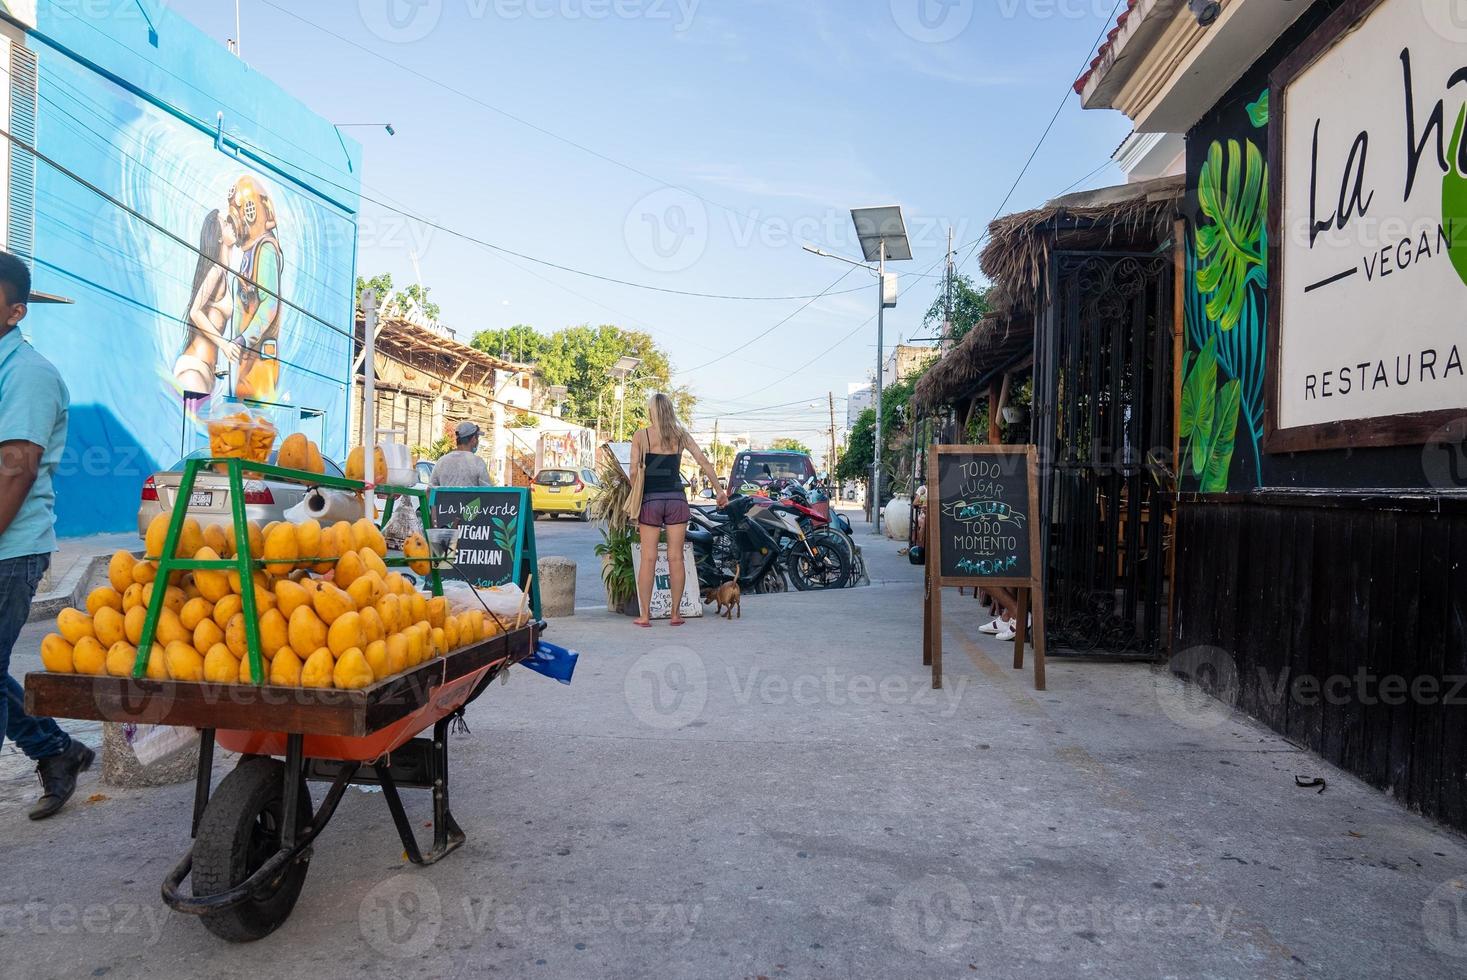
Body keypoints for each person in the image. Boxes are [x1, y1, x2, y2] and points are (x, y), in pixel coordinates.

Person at [0, 251, 93, 820]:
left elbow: (16, 467)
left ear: (14, 312)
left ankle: (55, 749)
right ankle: (58, 748)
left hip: (10, 549)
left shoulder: (29, 374)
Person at [627, 393, 726, 627]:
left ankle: (644, 616)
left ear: (652, 411)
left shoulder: (641, 436)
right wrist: (719, 490)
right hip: (676, 500)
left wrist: (637, 493)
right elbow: (703, 461)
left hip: (650, 500)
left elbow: (633, 472)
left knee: (648, 559)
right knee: (676, 558)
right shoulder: (680, 435)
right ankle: (675, 615)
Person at [173, 208, 239, 397]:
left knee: (199, 426)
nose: (231, 225)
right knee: (193, 426)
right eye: (226, 223)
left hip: (208, 372)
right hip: (194, 370)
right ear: (218, 237)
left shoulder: (225, 275)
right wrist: (224, 345)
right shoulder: (216, 271)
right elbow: (195, 311)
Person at [431, 421, 492, 487]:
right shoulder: (478, 462)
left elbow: (429, 491)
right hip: (469, 498)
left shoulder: (441, 461)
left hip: (445, 497)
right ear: (473, 439)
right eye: (477, 438)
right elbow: (488, 491)